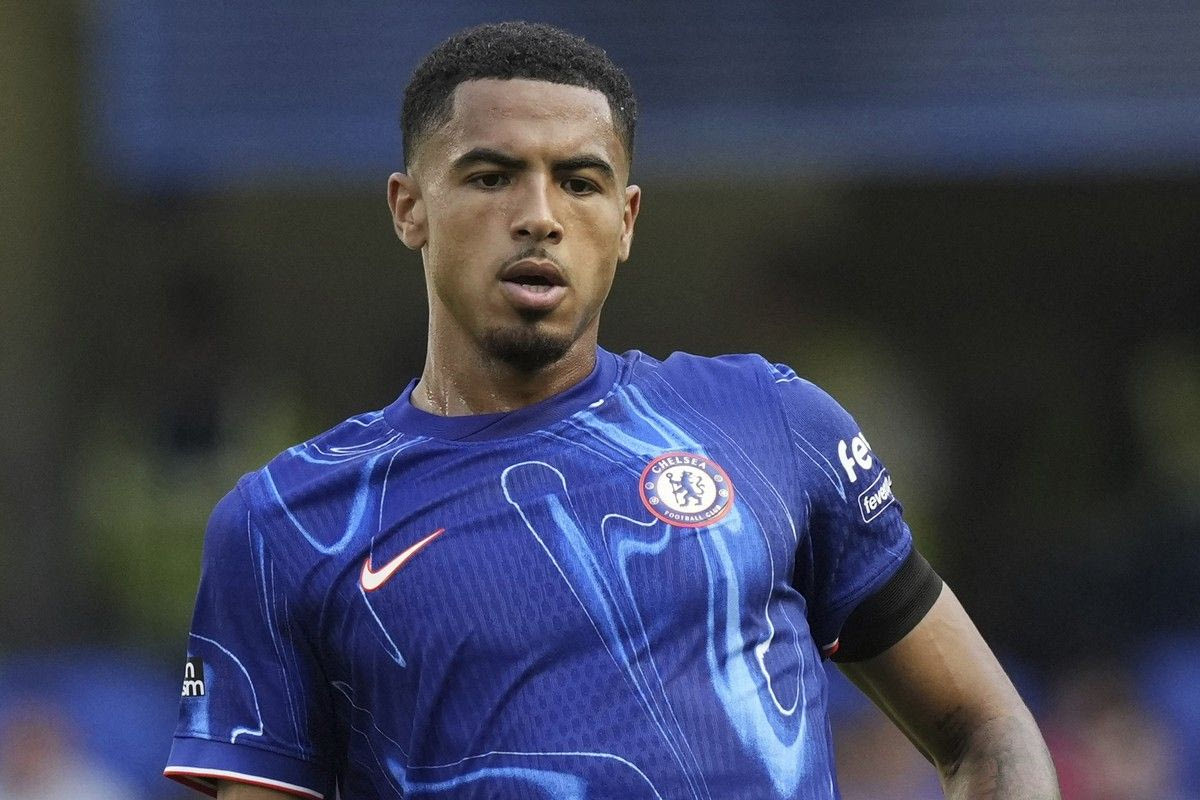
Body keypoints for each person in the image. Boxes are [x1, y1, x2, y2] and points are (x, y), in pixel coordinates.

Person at [163, 21, 1060, 800]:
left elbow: (986, 729)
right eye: (491, 177)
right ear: (409, 208)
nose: (539, 216)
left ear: (627, 221)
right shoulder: (284, 524)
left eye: (580, 182)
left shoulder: (774, 422)